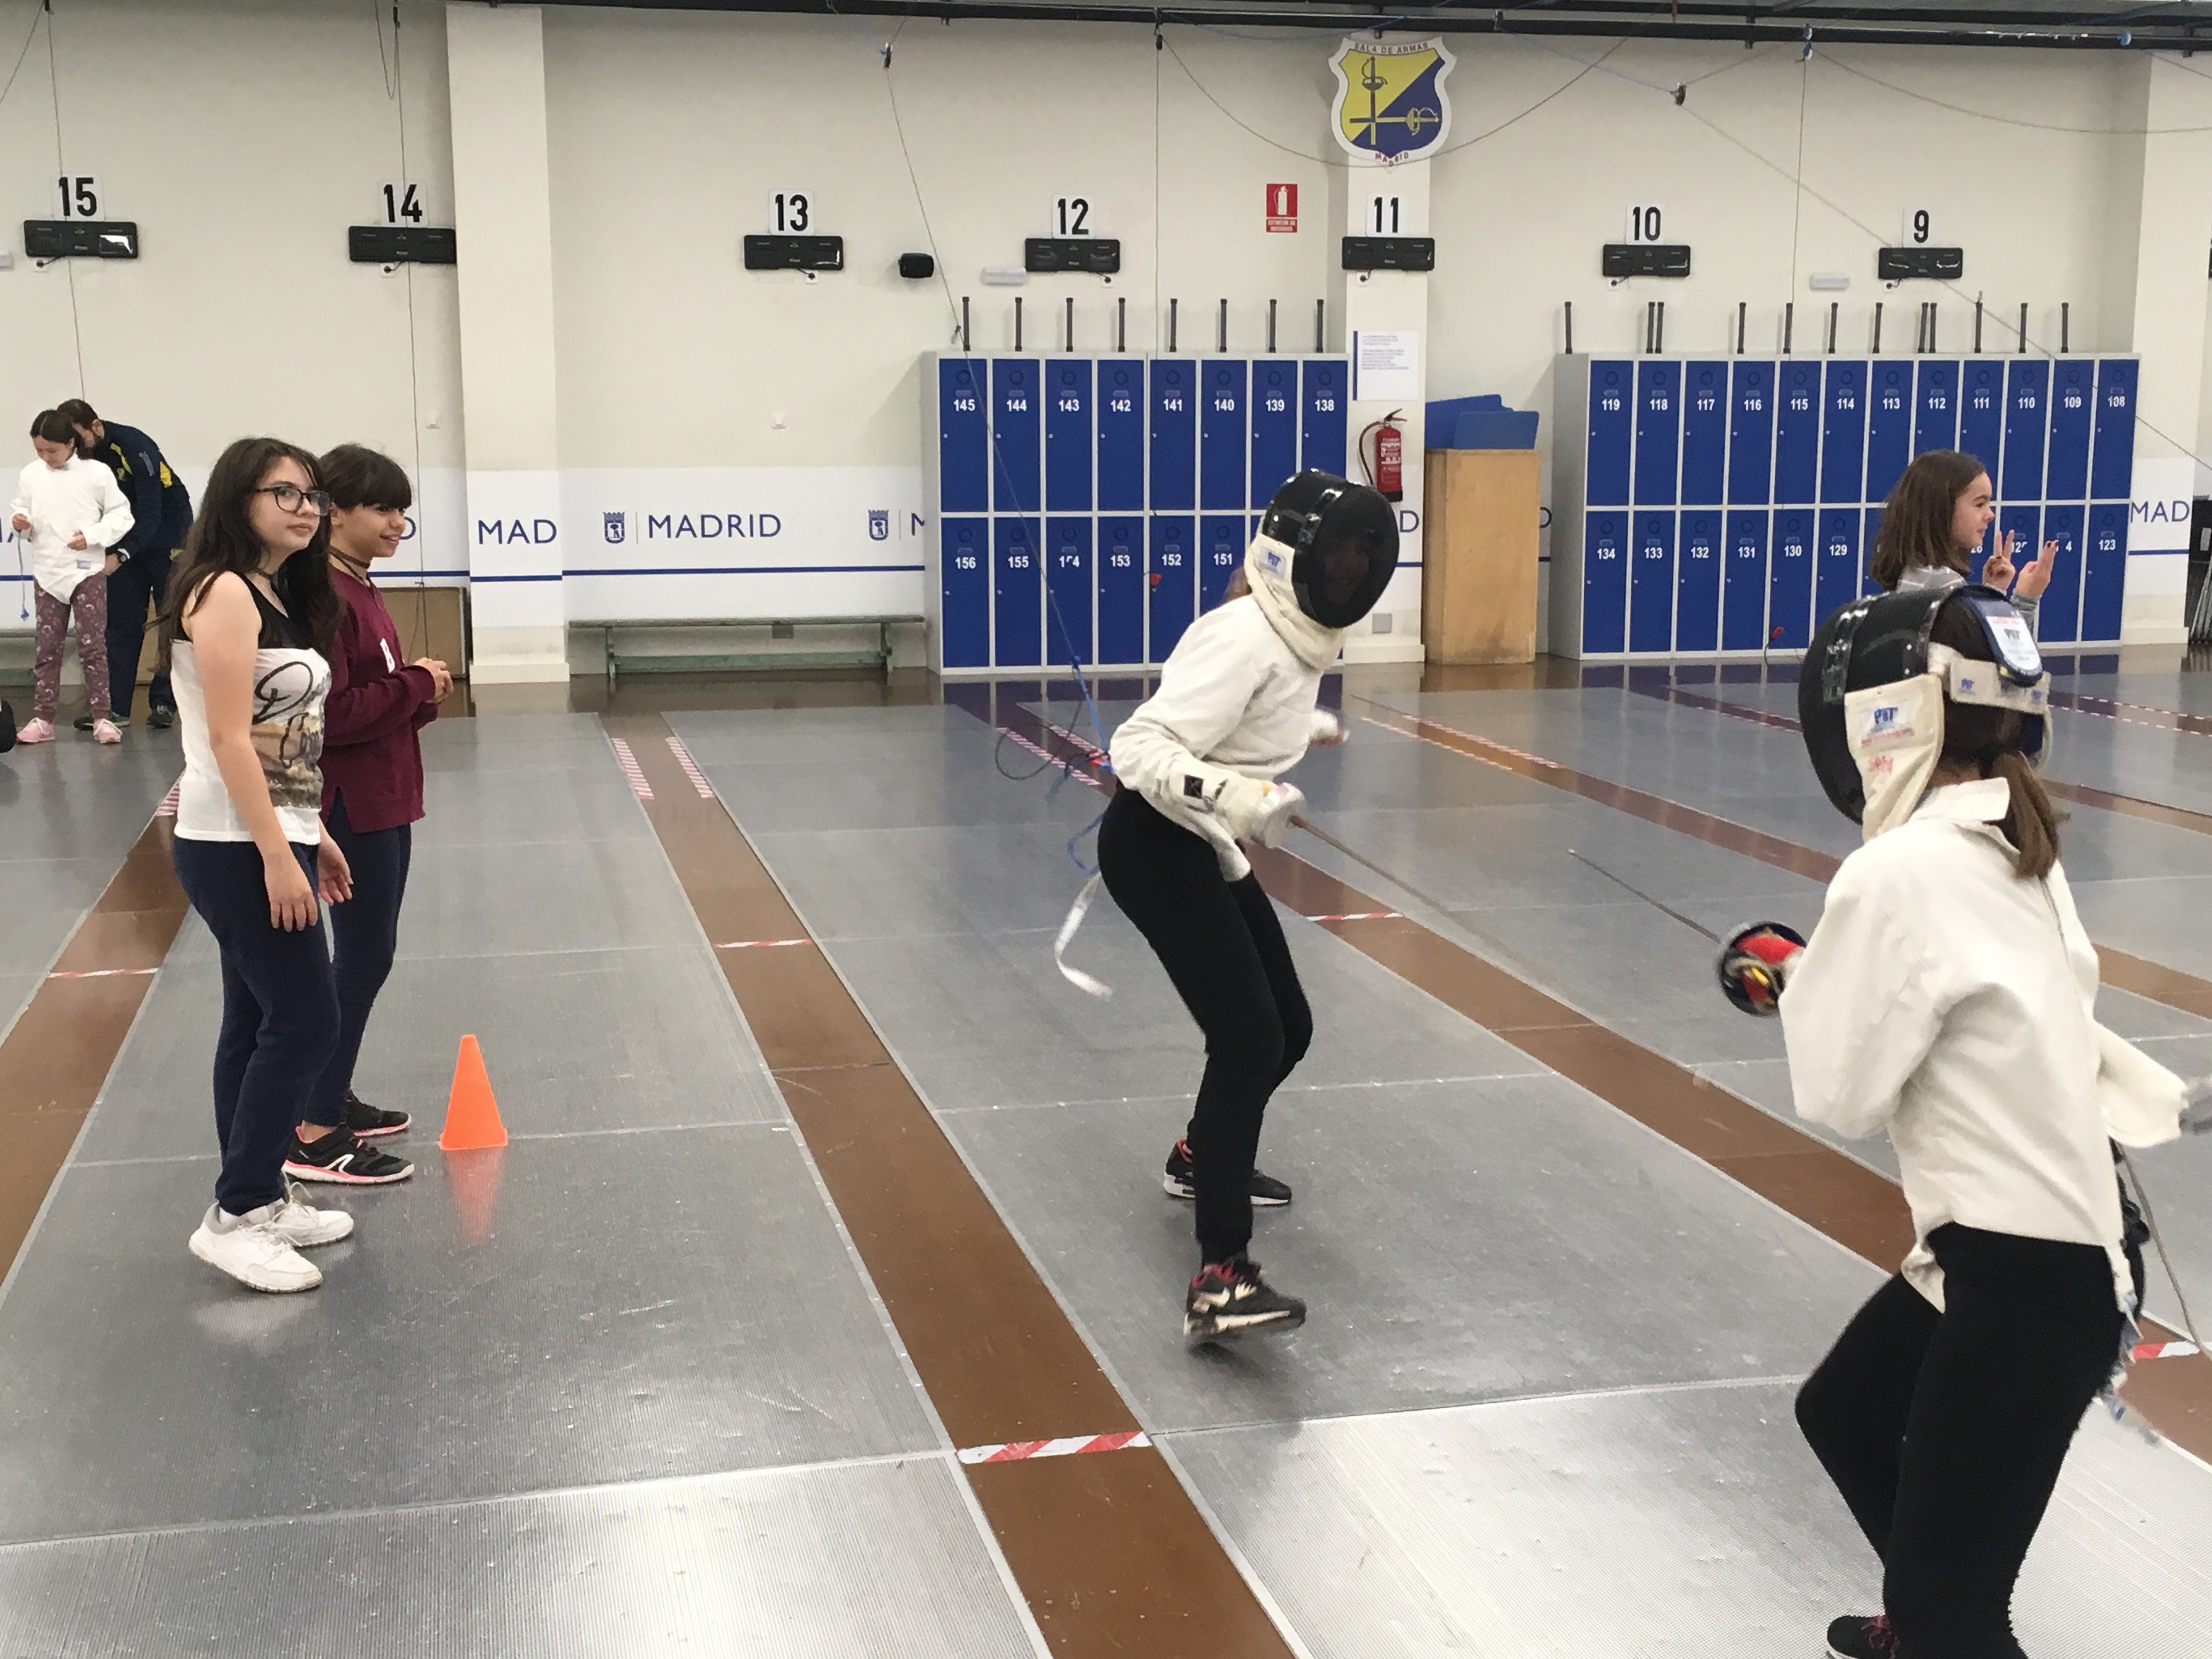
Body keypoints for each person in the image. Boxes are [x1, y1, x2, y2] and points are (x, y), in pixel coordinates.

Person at [1767, 583, 2185, 1657]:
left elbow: (1840, 1095)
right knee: (1847, 1411)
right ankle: (1926, 1612)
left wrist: (1799, 984)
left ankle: (1934, 1620)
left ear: (1885, 716)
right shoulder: (2014, 840)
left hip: (2026, 1275)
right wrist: (1828, 980)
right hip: (2051, 1246)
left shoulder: (1896, 871)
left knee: (1957, 1607)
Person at [1101, 470, 1396, 1341]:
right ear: (1295, 556)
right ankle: (1220, 1277)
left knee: (1288, 1027)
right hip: (1156, 846)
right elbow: (1137, 746)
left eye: (1361, 557)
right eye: (1337, 556)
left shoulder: (1295, 632)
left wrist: (1300, 733)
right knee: (1248, 1038)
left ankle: (1200, 1157)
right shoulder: (1244, 636)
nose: (1350, 571)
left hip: (1201, 841)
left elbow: (1245, 716)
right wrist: (1234, 793)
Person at [162, 436, 358, 1292]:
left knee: (255, 1021)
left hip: (277, 831)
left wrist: (315, 836)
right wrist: (280, 856)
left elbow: (289, 744)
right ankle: (236, 1214)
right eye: (285, 493)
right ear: (238, 499)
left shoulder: (273, 592)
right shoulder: (224, 592)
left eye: (313, 495)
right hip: (233, 843)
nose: (305, 508)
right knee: (307, 1020)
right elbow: (229, 738)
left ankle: (262, 1194)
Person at [283, 444, 449, 1181]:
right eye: (381, 508)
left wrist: (418, 693)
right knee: (360, 957)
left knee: (368, 955)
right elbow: (331, 714)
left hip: (386, 793)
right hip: (350, 803)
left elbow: (376, 701)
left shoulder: (361, 586)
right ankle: (315, 1125)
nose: (395, 523)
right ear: (334, 512)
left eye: (402, 511)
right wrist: (415, 685)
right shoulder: (325, 595)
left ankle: (330, 1090)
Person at [58, 398, 194, 731]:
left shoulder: (135, 447)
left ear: (96, 426)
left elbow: (151, 515)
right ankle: (114, 708)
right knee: (120, 623)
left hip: (167, 534)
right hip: (125, 539)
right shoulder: (79, 460)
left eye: (79, 438)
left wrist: (120, 555)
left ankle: (164, 702)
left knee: (171, 621)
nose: (76, 448)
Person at [12, 409, 132, 745]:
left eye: (52, 450)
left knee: (93, 647)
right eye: (39, 450)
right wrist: (21, 522)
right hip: (48, 571)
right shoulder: (31, 475)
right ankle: (43, 719)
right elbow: (22, 509)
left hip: (86, 571)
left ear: (70, 443)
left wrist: (92, 536)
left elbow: (122, 515)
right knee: (47, 649)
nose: (46, 457)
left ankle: (102, 718)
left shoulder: (97, 473)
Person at [1871, 449, 2057, 633]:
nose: (1990, 515)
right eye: (1980, 504)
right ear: (1942, 509)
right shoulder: (1945, 586)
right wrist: (2026, 599)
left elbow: (1969, 640)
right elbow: (2005, 651)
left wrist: (1993, 590)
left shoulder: (1918, 574)